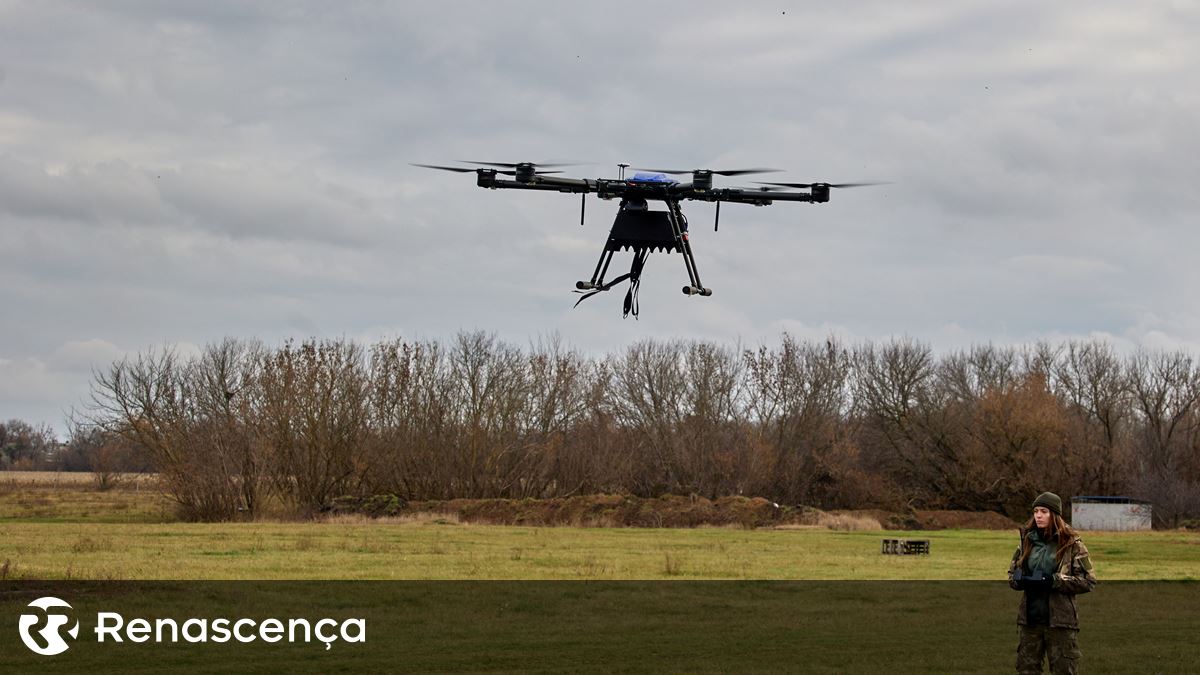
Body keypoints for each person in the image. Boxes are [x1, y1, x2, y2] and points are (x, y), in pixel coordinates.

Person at [1008, 492, 1097, 674]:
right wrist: (1019, 579)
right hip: (1030, 620)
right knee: (1026, 670)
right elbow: (1012, 573)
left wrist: (1054, 581)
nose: (1038, 516)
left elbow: (1088, 581)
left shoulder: (1072, 544)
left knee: (1063, 670)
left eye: (1044, 511)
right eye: (1035, 511)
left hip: (1060, 622)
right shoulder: (1027, 541)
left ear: (1054, 515)